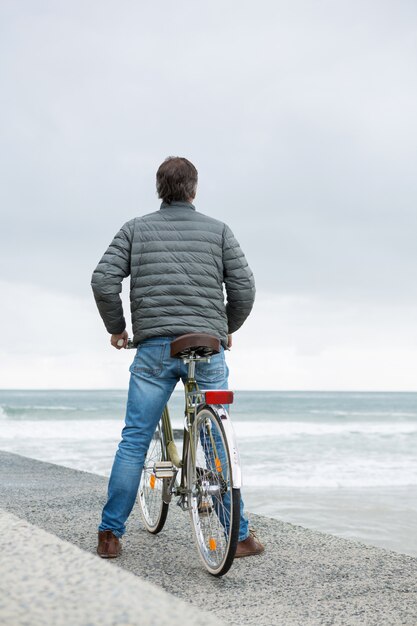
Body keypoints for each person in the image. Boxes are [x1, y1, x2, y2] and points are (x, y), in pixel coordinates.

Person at [91, 156, 264, 559]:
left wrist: (117, 328)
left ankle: (110, 536)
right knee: (217, 438)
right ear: (193, 190)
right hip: (206, 345)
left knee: (134, 440)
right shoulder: (219, 231)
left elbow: (103, 279)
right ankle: (237, 537)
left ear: (159, 189)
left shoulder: (135, 229)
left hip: (153, 346)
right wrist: (224, 329)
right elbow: (245, 288)